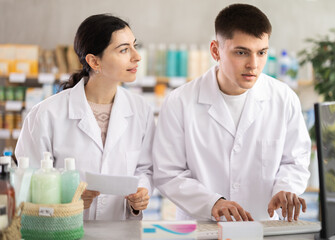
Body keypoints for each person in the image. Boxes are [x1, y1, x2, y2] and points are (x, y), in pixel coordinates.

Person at [153, 4, 310, 222]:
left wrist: (285, 188)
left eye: (261, 52)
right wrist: (212, 202)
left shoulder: (284, 98)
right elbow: (168, 172)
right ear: (215, 50)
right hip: (202, 227)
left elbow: (295, 161)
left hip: (264, 227)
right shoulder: (179, 102)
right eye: (241, 52)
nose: (253, 65)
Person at [15, 14, 155, 220]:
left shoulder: (141, 110)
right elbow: (27, 182)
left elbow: (145, 168)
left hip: (121, 230)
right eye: (124, 49)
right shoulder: (46, 114)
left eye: (135, 46)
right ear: (94, 61)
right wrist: (68, 201)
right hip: (61, 229)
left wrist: (141, 194)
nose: (137, 56)